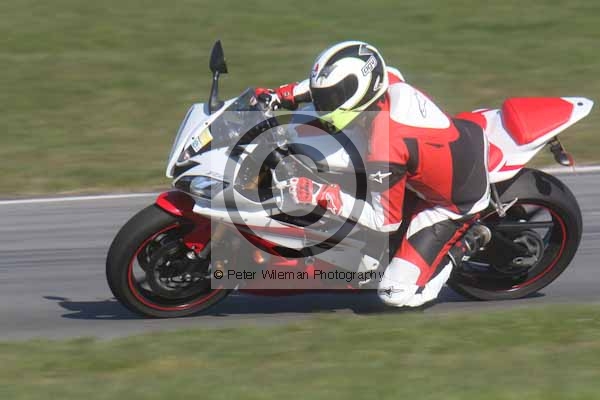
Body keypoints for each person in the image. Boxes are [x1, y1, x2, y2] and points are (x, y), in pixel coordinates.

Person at [255, 41, 492, 307]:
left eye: (333, 97)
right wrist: (282, 95)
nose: (323, 104)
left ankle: (464, 246)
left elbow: (384, 222)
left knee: (394, 294)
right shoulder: (385, 81)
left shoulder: (385, 147)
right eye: (325, 96)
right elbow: (322, 89)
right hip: (449, 145)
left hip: (453, 202)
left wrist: (324, 194)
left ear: (360, 93)